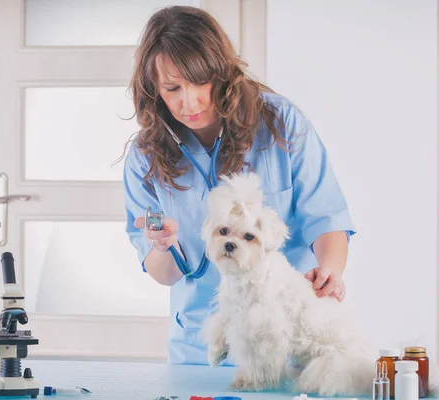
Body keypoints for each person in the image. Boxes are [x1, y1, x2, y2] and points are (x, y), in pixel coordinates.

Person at [121, 5, 355, 366]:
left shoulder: (281, 123)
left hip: (284, 341)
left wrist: (330, 272)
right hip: (201, 349)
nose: (190, 102)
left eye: (201, 81)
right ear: (153, 88)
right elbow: (164, 274)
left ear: (223, 74)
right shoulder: (146, 157)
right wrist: (162, 245)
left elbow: (326, 217)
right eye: (172, 88)